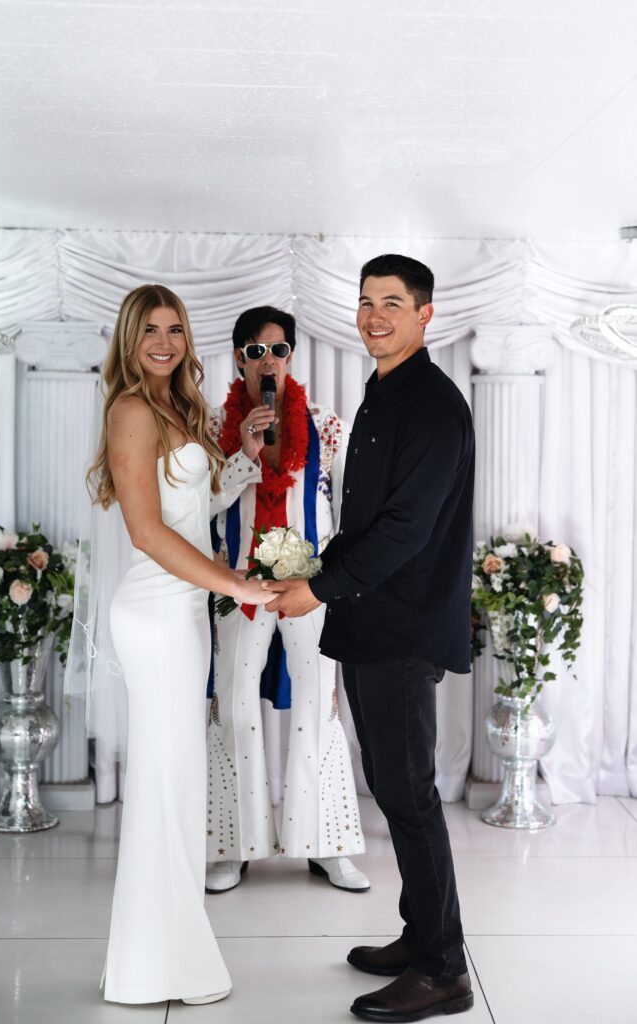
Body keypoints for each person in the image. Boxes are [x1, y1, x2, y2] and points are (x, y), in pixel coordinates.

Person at [264, 255, 476, 1022]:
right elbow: (366, 518)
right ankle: (420, 933)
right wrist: (321, 570)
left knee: (409, 796)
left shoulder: (432, 406)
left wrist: (315, 586)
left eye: (392, 303)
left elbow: (407, 528)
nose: (374, 315)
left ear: (425, 314)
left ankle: (442, 969)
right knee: (392, 787)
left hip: (403, 623)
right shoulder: (383, 392)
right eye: (364, 303)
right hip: (371, 618)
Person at [85, 284, 266, 1005]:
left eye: (175, 329)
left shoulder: (176, 408)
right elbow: (147, 533)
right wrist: (237, 586)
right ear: (129, 339)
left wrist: (241, 457)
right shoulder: (131, 409)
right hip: (157, 615)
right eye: (149, 330)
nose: (164, 341)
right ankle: (153, 964)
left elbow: (190, 510)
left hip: (184, 612)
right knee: (164, 785)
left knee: (177, 783)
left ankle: (160, 956)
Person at [205, 305, 369, 895]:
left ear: (292, 355)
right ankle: (233, 843)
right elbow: (201, 510)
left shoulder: (326, 425)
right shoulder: (213, 427)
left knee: (318, 707)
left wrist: (337, 579)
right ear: (238, 358)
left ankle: (323, 844)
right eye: (254, 351)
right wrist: (244, 453)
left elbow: (349, 513)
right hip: (237, 586)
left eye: (276, 349)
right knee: (234, 706)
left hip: (309, 585)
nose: (266, 361)